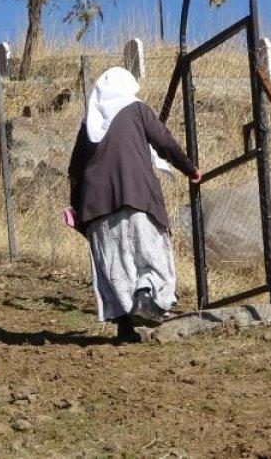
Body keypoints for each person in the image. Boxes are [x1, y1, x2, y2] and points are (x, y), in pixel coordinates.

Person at [67, 67, 201, 343]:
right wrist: (190, 169)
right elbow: (164, 141)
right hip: (136, 195)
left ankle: (125, 328)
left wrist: (78, 210)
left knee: (116, 268)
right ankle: (146, 296)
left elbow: (75, 171)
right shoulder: (136, 109)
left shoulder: (88, 124)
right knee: (151, 254)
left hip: (98, 209)